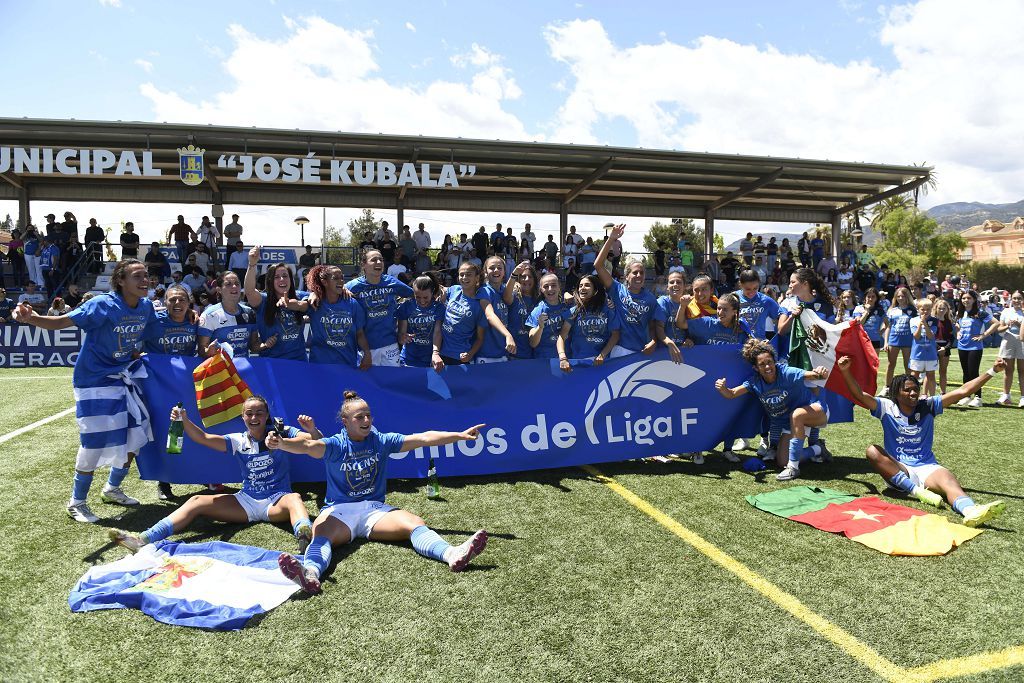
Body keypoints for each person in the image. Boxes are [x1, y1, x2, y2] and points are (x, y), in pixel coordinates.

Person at [269, 391, 488, 594]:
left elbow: (423, 438)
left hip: (375, 510)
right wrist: (281, 444)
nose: (366, 421)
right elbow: (308, 446)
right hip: (340, 510)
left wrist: (459, 435)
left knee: (414, 522)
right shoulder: (335, 445)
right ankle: (310, 574)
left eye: (368, 416)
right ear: (345, 422)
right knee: (321, 534)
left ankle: (452, 554)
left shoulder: (382, 441)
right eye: (359, 417)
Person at [13, 259, 156, 522]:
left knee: (138, 433)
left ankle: (112, 489)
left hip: (122, 378)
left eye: (146, 275)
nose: (145, 280)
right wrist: (31, 317)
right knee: (94, 443)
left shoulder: (146, 306)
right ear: (121, 281)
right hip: (93, 380)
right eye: (138, 276)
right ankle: (76, 502)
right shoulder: (102, 304)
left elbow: (157, 333)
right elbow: (61, 323)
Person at [110, 396, 315, 554]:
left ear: (267, 415)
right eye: (249, 413)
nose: (254, 418)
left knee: (294, 498)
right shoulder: (238, 440)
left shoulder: (282, 431)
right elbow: (204, 438)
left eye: (259, 413)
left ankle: (306, 539)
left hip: (277, 501)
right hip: (247, 502)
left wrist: (311, 430)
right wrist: (185, 419)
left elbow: (313, 442)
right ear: (243, 417)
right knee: (196, 500)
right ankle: (142, 540)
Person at [836, 355, 1007, 527]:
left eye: (915, 389)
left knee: (949, 482)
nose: (913, 393)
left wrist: (992, 371)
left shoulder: (928, 405)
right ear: (896, 393)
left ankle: (971, 511)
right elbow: (858, 394)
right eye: (907, 390)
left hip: (927, 467)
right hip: (900, 470)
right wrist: (845, 371)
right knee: (872, 451)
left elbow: (963, 391)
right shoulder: (886, 407)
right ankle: (916, 491)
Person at [716, 339, 830, 480]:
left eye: (770, 362)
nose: (767, 366)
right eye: (762, 364)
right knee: (782, 461)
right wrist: (722, 388)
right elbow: (731, 394)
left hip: (814, 411)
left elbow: (813, 375)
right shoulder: (755, 383)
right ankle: (819, 448)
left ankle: (793, 469)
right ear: (756, 368)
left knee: (797, 414)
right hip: (791, 423)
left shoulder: (786, 372)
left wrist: (820, 372)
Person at [142, 283, 200, 500]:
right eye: (172, 299)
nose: (177, 303)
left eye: (181, 299)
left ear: (188, 302)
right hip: (159, 387)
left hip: (185, 385)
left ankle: (205, 474)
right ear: (165, 302)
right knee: (166, 432)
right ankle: (164, 480)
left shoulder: (195, 322)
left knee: (190, 429)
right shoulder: (153, 322)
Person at [593, 224, 664, 357]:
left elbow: (652, 325)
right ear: (626, 276)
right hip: (620, 349)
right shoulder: (617, 289)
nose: (639, 276)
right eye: (635, 273)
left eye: (642, 273)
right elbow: (598, 265)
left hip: (642, 351)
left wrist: (654, 341)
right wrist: (611, 239)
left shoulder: (650, 298)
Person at [345, 249, 414, 367]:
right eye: (374, 260)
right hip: (366, 347)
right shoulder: (352, 286)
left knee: (392, 383)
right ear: (363, 265)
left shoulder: (391, 281)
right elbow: (330, 294)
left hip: (390, 344)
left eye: (381, 260)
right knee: (367, 384)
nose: (379, 262)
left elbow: (414, 294)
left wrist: (402, 329)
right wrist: (314, 294)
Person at [244, 247, 308, 361]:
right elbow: (249, 291)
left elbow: (315, 297)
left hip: (299, 362)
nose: (282, 279)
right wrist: (252, 265)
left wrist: (344, 289)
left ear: (291, 279)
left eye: (285, 276)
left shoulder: (300, 296)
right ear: (270, 281)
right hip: (272, 362)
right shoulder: (263, 300)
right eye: (276, 277)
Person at [304, 265, 371, 368]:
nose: (341, 281)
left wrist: (367, 353)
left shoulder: (352, 304)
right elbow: (295, 303)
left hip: (347, 364)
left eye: (342, 278)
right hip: (319, 365)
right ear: (324, 282)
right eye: (335, 278)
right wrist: (313, 293)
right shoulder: (315, 302)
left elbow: (360, 333)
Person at [556, 274, 620, 371]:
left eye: (587, 285)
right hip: (578, 363)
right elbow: (562, 336)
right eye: (580, 286)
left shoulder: (607, 308)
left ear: (595, 289)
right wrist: (563, 358)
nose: (582, 288)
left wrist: (602, 355)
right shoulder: (574, 311)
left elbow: (615, 335)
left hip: (602, 363)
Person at [198, 271, 261, 359]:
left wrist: (266, 345)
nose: (234, 286)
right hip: (220, 370)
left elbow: (254, 347)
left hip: (242, 369)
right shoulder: (209, 315)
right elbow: (201, 350)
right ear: (219, 289)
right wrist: (208, 352)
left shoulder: (249, 312)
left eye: (237, 283)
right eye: (228, 284)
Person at [440, 262, 489, 365]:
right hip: (440, 352)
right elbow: (439, 289)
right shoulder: (454, 289)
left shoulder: (480, 304)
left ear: (477, 278)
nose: (464, 277)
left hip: (460, 356)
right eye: (461, 274)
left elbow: (480, 338)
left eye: (469, 274)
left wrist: (470, 354)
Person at [396, 273, 445, 370]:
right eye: (417, 297)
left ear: (432, 292)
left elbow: (437, 332)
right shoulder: (406, 306)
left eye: (425, 297)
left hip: (430, 359)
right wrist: (403, 337)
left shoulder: (439, 308)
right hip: (408, 359)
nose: (422, 301)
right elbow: (401, 336)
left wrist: (435, 353)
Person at [954, 290, 994, 408]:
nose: (966, 300)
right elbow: (958, 325)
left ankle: (978, 397)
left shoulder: (980, 312)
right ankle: (966, 396)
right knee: (965, 373)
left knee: (973, 373)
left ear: (974, 300)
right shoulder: (960, 312)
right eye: (964, 298)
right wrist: (958, 332)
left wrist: (983, 335)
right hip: (962, 346)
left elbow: (995, 323)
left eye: (969, 298)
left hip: (975, 347)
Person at [475, 256, 518, 363]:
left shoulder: (505, 290)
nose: (496, 270)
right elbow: (490, 315)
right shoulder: (484, 291)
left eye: (499, 268)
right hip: (486, 355)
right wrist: (508, 335)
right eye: (492, 268)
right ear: (485, 272)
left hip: (504, 353)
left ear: (504, 272)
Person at [675, 292, 750, 346]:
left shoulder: (741, 329)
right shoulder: (706, 323)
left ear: (734, 312)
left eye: (725, 309)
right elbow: (681, 324)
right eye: (719, 308)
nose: (720, 312)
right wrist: (682, 306)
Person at [993, 291, 1024, 407]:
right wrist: (1008, 325)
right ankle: (1006, 395)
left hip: (1022, 342)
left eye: (1019, 298)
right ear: (1011, 299)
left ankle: (1023, 397)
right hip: (1008, 341)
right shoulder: (1006, 311)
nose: (1016, 301)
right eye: (1015, 298)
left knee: (1022, 370)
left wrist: (1019, 325)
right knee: (1008, 369)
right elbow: (999, 329)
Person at [504, 261, 539, 360]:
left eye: (530, 277)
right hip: (512, 353)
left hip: (532, 354)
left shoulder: (539, 299)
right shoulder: (514, 295)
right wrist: (514, 274)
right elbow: (506, 297)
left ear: (535, 279)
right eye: (523, 276)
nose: (526, 279)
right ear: (519, 279)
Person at [909, 297, 939, 397]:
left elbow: (931, 336)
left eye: (928, 309)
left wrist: (925, 324)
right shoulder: (913, 320)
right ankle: (914, 396)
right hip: (917, 354)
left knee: (931, 376)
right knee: (914, 376)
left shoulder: (934, 320)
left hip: (931, 354)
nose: (925, 311)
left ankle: (932, 398)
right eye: (922, 309)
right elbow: (916, 336)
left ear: (931, 309)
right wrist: (920, 324)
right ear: (918, 309)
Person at [932, 298, 955, 395]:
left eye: (944, 308)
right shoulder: (932, 321)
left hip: (945, 348)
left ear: (947, 310)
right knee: (930, 372)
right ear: (936, 308)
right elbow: (930, 337)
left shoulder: (949, 322)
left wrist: (945, 348)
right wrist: (937, 347)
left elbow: (951, 337)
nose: (941, 310)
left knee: (943, 371)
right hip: (933, 347)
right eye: (939, 308)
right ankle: (931, 393)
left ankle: (943, 392)